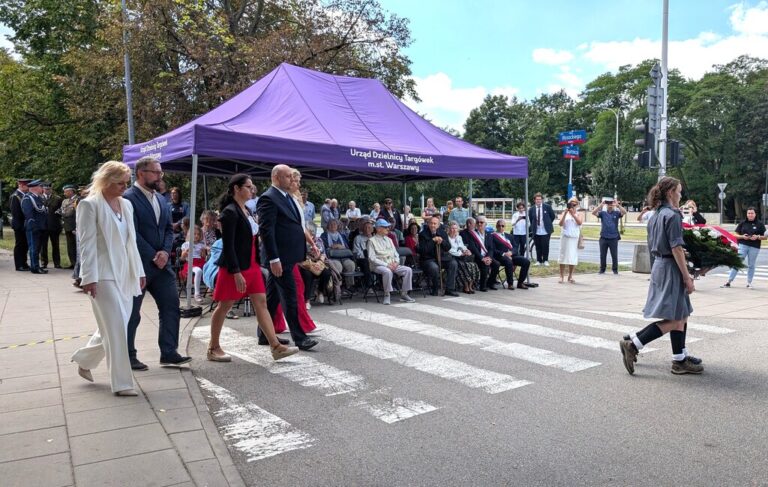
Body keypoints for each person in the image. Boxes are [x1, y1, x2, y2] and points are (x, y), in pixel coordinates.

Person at [70, 161, 146, 396]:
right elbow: (86, 244)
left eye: (126, 182)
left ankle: (85, 359)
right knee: (116, 328)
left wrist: (140, 271)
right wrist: (88, 277)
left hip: (125, 272)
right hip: (102, 274)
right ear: (106, 181)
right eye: (120, 183)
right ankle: (122, 383)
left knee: (117, 325)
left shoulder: (127, 205)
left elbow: (131, 242)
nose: (125, 187)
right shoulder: (89, 205)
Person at [207, 174, 299, 362]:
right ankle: (213, 347)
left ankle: (275, 346)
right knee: (224, 306)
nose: (252, 189)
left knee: (261, 303)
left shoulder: (246, 209)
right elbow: (229, 246)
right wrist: (236, 272)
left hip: (251, 265)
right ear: (236, 189)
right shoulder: (229, 212)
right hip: (236, 267)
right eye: (248, 186)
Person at [619, 176, 702, 375]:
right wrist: (687, 276)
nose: (681, 195)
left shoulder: (655, 215)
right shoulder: (672, 215)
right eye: (679, 191)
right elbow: (676, 248)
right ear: (670, 192)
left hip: (660, 264)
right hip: (671, 266)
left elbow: (652, 245)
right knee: (675, 319)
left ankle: (679, 358)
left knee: (681, 313)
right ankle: (634, 343)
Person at [123, 157, 191, 371]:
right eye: (156, 172)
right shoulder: (128, 198)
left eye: (160, 172)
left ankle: (169, 352)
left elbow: (169, 229)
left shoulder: (161, 199)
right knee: (132, 312)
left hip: (162, 266)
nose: (160, 176)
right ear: (141, 173)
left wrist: (164, 251)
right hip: (139, 265)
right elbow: (130, 233)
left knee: (171, 305)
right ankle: (128, 355)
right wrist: (154, 254)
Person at [257, 164, 319, 351]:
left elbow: (296, 225)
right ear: (276, 177)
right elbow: (266, 231)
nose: (292, 180)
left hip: (288, 256)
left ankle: (263, 334)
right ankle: (299, 337)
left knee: (272, 298)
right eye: (288, 177)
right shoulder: (268, 198)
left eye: (293, 177)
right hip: (279, 259)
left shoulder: (286, 197)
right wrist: (274, 259)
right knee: (290, 296)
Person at [368, 218, 416, 305]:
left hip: (392, 263)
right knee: (387, 271)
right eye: (385, 227)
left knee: (408, 270)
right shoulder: (371, 241)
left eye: (388, 227)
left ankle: (404, 293)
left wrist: (396, 262)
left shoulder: (389, 239)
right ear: (378, 229)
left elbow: (395, 253)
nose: (388, 228)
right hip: (378, 265)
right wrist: (387, 265)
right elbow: (372, 258)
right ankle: (387, 294)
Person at [722, 207, 766, 289]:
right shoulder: (743, 223)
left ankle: (749, 283)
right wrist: (742, 236)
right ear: (747, 214)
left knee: (751, 265)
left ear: (755, 214)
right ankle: (728, 281)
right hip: (743, 245)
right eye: (749, 213)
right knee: (737, 262)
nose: (750, 215)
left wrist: (758, 237)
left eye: (752, 213)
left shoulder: (760, 224)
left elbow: (765, 237)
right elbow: (734, 234)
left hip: (755, 247)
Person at [419, 215, 458, 296]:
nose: (433, 225)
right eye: (431, 223)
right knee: (434, 267)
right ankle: (435, 288)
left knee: (453, 263)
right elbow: (424, 250)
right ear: (428, 224)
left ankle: (449, 289)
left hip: (441, 257)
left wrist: (442, 241)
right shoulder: (423, 234)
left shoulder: (442, 232)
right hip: (428, 259)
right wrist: (433, 240)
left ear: (438, 225)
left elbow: (448, 247)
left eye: (435, 224)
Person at [461, 217, 499, 292]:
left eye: (481, 222)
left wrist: (489, 258)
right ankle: (482, 286)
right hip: (477, 256)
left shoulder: (489, 234)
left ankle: (490, 283)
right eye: (478, 222)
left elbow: (491, 248)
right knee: (484, 265)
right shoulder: (472, 234)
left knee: (496, 264)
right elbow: (473, 248)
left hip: (487, 256)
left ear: (485, 224)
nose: (479, 224)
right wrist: (482, 258)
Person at [491, 219, 530, 289]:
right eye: (499, 226)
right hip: (500, 257)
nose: (501, 227)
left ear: (505, 227)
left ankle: (520, 283)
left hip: (512, 255)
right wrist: (504, 254)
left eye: (502, 226)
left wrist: (511, 252)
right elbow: (493, 249)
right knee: (508, 261)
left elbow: (515, 247)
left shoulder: (509, 236)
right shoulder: (492, 236)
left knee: (526, 261)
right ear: (496, 226)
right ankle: (510, 283)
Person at [591, 197, 627, 275]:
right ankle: (602, 269)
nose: (610, 205)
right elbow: (593, 213)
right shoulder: (603, 213)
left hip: (613, 237)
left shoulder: (616, 213)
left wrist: (618, 205)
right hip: (603, 237)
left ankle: (615, 269)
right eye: (608, 203)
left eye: (611, 203)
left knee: (614, 255)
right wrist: (601, 205)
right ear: (606, 205)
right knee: (602, 255)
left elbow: (624, 212)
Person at [21, 179, 48, 274]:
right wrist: (33, 226)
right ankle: (35, 267)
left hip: (40, 226)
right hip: (33, 227)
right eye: (41, 187)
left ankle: (36, 265)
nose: (42, 189)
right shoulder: (28, 198)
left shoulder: (37, 197)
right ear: (36, 188)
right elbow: (28, 214)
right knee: (33, 248)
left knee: (37, 248)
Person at [321, 218, 356, 288]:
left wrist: (341, 246)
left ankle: (349, 286)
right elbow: (323, 248)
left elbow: (347, 247)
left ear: (337, 226)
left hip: (344, 256)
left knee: (350, 265)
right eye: (331, 224)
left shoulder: (342, 235)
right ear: (328, 226)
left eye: (334, 224)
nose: (333, 226)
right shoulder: (324, 235)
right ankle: (338, 285)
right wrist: (332, 247)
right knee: (338, 266)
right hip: (332, 257)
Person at [447, 221, 479, 294]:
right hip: (453, 257)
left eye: (455, 228)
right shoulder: (447, 238)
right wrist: (460, 254)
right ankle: (466, 285)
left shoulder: (459, 237)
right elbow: (449, 250)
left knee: (473, 265)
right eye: (452, 228)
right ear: (449, 229)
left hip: (462, 256)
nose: (454, 230)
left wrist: (467, 251)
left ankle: (471, 285)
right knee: (464, 266)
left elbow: (462, 246)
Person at [180, 225, 209, 303]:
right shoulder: (186, 244)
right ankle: (197, 294)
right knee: (199, 271)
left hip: (201, 262)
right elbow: (182, 258)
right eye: (194, 234)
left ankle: (214, 291)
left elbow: (203, 257)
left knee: (212, 269)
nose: (196, 236)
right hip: (191, 263)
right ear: (190, 234)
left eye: (198, 234)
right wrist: (185, 253)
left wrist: (203, 252)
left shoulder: (201, 245)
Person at [558, 197, 583, 284]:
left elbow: (579, 223)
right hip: (565, 237)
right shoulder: (564, 213)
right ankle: (561, 276)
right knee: (563, 256)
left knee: (572, 257)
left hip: (574, 238)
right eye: (571, 204)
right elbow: (560, 224)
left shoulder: (579, 214)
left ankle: (570, 276)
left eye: (574, 204)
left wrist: (573, 214)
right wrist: (565, 213)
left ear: (577, 205)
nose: (573, 206)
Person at [10, 178, 31, 271]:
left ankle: (24, 262)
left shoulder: (24, 195)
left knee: (25, 244)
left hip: (24, 224)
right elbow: (16, 212)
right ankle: (19, 265)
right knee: (19, 244)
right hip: (19, 224)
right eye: (27, 186)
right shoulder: (15, 196)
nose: (28, 188)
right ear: (22, 185)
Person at [528, 193, 555, 266]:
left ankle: (545, 260)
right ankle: (539, 260)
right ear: (534, 200)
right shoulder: (531, 209)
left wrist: (547, 223)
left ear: (542, 200)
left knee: (545, 245)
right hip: (536, 230)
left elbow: (552, 216)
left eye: (540, 199)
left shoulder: (547, 207)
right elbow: (531, 219)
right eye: (537, 199)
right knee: (538, 246)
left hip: (545, 230)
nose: (539, 201)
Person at [41, 183, 63, 269]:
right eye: (45, 189)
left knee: (55, 245)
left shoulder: (57, 199)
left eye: (49, 189)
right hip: (43, 226)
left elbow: (61, 211)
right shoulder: (39, 198)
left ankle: (57, 263)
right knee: (43, 246)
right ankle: (44, 262)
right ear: (43, 189)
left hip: (54, 225)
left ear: (51, 189)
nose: (47, 191)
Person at [60, 184, 78, 269]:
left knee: (76, 246)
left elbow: (70, 213)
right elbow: (62, 211)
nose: (64, 193)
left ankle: (77, 264)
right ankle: (72, 262)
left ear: (71, 191)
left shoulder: (77, 200)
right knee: (70, 246)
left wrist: (63, 213)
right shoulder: (65, 201)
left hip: (75, 226)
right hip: (67, 226)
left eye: (66, 192)